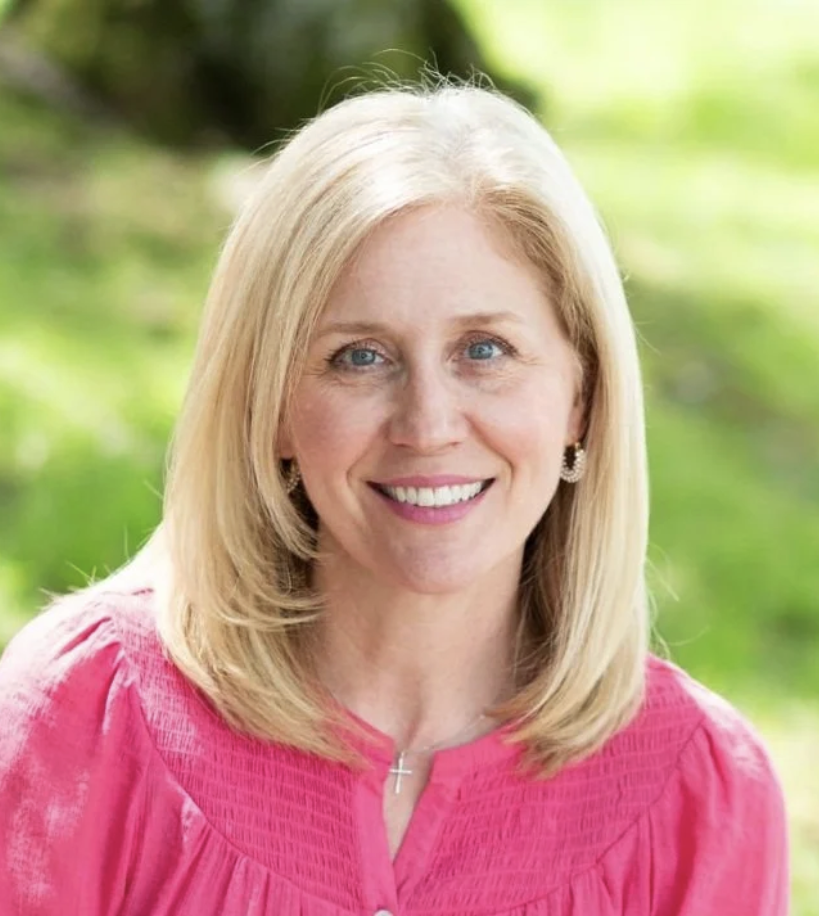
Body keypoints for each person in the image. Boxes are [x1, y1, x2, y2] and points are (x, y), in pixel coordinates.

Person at [0, 81, 788, 915]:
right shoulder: (87, 718)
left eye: (484, 349)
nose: (428, 424)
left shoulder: (703, 795)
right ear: (268, 406)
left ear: (581, 399)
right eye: (360, 357)